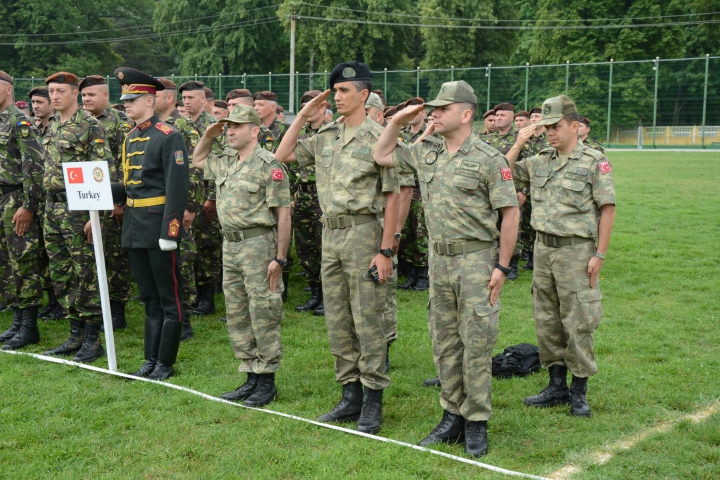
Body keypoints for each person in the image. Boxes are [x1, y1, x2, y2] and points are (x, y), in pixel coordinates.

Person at [373, 80, 519, 457]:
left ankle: (476, 422)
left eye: (442, 108)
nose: (434, 113)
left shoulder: (490, 158)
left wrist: (502, 265)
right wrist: (401, 120)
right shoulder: (427, 152)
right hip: (439, 260)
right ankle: (451, 415)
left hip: (476, 259)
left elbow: (509, 213)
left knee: (477, 341)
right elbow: (382, 152)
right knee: (445, 341)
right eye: (432, 108)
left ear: (466, 114)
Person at [275, 61, 399, 435]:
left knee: (368, 318)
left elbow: (393, 197)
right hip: (331, 235)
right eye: (334, 91)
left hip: (364, 233)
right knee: (338, 318)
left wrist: (386, 250)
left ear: (364, 94)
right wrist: (302, 116)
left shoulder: (382, 137)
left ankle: (373, 399)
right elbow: (282, 155)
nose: (338, 97)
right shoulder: (327, 135)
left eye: (345, 91)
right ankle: (350, 395)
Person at [510, 95, 616, 418]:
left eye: (555, 127)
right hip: (543, 250)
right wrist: (518, 142)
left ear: (574, 125)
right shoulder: (539, 160)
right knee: (546, 319)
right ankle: (556, 385)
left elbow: (607, 208)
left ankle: (579, 390)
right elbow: (502, 174)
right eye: (545, 127)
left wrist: (600, 254)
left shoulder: (593, 161)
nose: (549, 133)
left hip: (576, 250)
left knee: (578, 320)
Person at [192, 105, 291, 407]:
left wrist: (281, 258)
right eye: (227, 127)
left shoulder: (269, 164)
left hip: (258, 244)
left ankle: (267, 380)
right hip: (231, 245)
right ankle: (250, 373)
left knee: (263, 309)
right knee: (237, 311)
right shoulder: (225, 162)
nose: (230, 131)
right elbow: (197, 159)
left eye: (237, 126)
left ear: (254, 130)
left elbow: (284, 214)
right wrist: (210, 133)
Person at [114, 67, 189, 380]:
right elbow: (131, 186)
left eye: (132, 99)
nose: (126, 105)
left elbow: (176, 185)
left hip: (159, 226)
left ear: (150, 100)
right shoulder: (131, 137)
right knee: (148, 297)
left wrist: (170, 231)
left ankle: (165, 363)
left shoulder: (169, 136)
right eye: (124, 100)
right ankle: (150, 360)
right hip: (134, 225)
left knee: (168, 298)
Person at [41, 72, 115, 363]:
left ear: (75, 94)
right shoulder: (53, 125)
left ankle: (93, 336)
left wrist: (95, 215)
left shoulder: (89, 126)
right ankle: (75, 333)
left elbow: (102, 169)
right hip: (52, 209)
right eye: (51, 91)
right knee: (61, 273)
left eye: (60, 91)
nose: (54, 96)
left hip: (79, 210)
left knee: (86, 273)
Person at [79, 75, 133, 330]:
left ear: (105, 96)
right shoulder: (81, 122)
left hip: (113, 200)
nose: (86, 99)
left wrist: (118, 200)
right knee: (93, 254)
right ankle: (98, 307)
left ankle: (118, 310)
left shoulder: (120, 122)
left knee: (115, 255)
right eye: (84, 95)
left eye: (91, 95)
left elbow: (125, 164)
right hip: (88, 196)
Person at [156, 77, 204, 340]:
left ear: (168, 98)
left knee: (180, 260)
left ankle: (184, 318)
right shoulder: (149, 125)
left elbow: (194, 167)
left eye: (156, 94)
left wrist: (190, 206)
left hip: (178, 206)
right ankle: (167, 314)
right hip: (154, 205)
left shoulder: (183, 125)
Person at [0, 71, 45, 351]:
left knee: (24, 261)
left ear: (6, 90)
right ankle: (16, 322)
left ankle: (30, 327)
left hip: (16, 199)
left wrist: (29, 206)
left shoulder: (20, 121)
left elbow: (35, 167)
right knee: (6, 264)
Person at [179, 80, 223, 316]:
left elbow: (220, 163)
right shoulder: (179, 125)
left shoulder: (214, 126)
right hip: (186, 195)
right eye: (184, 98)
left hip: (206, 195)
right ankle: (193, 294)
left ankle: (207, 298)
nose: (187, 102)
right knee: (188, 248)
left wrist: (213, 197)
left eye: (191, 98)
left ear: (203, 100)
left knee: (208, 246)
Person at [293, 90, 327, 316]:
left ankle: (327, 295)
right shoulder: (300, 133)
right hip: (301, 195)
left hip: (322, 196)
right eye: (303, 106)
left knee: (325, 248)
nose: (306, 110)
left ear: (323, 107)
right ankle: (315, 293)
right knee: (306, 248)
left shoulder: (330, 132)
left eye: (311, 105)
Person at [28, 86, 60, 320]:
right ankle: (51, 299)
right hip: (38, 199)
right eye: (33, 102)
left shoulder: (60, 126)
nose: (35, 106)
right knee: (41, 252)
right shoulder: (33, 127)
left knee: (55, 255)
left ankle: (60, 301)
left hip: (58, 201)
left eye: (40, 102)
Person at [397, 97, 429, 292]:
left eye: (415, 111)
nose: (411, 115)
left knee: (421, 232)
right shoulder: (401, 135)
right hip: (402, 189)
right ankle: (410, 272)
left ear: (423, 113)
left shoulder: (433, 134)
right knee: (406, 231)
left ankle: (423, 273)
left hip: (422, 190)